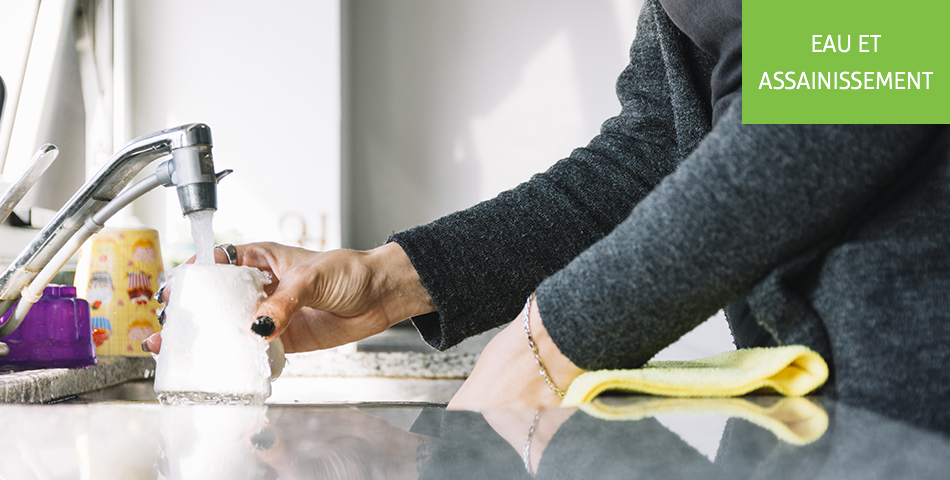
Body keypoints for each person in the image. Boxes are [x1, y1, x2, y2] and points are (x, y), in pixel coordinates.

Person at [146, 0, 950, 432]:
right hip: (838, 396)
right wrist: (392, 280)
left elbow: (851, 94)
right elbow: (660, 146)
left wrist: (549, 343)